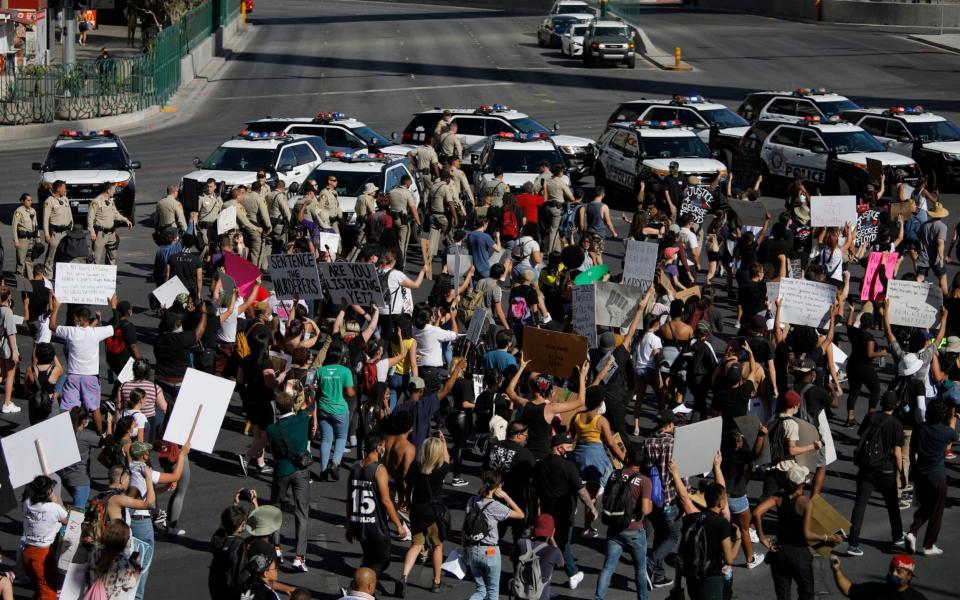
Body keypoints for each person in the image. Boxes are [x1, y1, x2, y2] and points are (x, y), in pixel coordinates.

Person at [754, 464, 842, 600]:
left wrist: (762, 537)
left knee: (783, 595)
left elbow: (757, 512)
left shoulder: (778, 498)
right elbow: (807, 534)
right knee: (806, 593)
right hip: (799, 554)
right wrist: (828, 538)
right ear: (801, 483)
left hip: (779, 552)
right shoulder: (805, 503)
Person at [842, 392, 906, 557]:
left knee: (860, 505)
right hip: (885, 469)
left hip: (866, 468)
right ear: (896, 405)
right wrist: (902, 474)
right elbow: (898, 453)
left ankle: (853, 543)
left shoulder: (871, 417)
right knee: (892, 505)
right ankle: (897, 536)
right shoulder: (896, 424)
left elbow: (861, 436)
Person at [128, 438, 190, 600]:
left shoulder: (131, 467)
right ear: (143, 455)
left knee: (131, 558)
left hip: (130, 518)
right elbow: (176, 475)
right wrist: (182, 455)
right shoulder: (145, 471)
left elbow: (143, 495)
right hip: (142, 521)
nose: (149, 453)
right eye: (147, 452)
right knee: (143, 563)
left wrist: (162, 490)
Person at [534, 433, 597, 590]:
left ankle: (544, 571)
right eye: (568, 447)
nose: (570, 450)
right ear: (560, 448)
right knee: (563, 542)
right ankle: (572, 573)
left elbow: (534, 489)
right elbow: (582, 491)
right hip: (564, 511)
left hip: (547, 511)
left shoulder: (540, 465)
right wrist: (592, 507)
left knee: (549, 541)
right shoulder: (568, 466)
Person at [48, 294, 115, 433]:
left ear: (79, 319)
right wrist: (113, 306)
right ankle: (101, 432)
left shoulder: (71, 331)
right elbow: (115, 325)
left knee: (69, 406)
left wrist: (56, 307)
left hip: (73, 376)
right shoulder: (96, 333)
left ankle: (68, 430)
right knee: (94, 406)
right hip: (90, 377)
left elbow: (52, 326)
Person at [594, 444, 653, 600]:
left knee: (608, 567)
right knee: (640, 569)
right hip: (635, 530)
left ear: (627, 458)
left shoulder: (615, 475)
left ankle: (598, 598)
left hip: (614, 528)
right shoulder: (644, 481)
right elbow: (646, 510)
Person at [347, 433, 408, 581]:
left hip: (358, 522)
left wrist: (349, 524)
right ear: (377, 447)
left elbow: (350, 498)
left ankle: (365, 592)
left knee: (368, 559)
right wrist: (399, 525)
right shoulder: (379, 469)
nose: (384, 447)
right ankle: (358, 587)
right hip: (375, 525)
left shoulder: (355, 467)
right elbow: (386, 500)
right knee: (383, 559)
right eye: (383, 445)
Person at [674, 476, 741, 600]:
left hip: (692, 577)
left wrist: (677, 584)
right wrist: (738, 540)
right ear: (721, 503)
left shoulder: (692, 519)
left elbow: (681, 553)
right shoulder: (721, 524)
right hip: (711, 579)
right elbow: (729, 559)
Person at [266, 390, 312, 572]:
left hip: (281, 472)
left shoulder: (272, 429)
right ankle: (299, 557)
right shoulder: (302, 418)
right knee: (302, 513)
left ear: (277, 407)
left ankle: (276, 547)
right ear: (292, 404)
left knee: (276, 509)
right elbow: (310, 404)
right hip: (301, 471)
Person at [398, 435, 450, 596]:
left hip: (417, 511)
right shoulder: (441, 469)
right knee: (437, 546)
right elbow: (447, 458)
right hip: (433, 514)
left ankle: (404, 576)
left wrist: (406, 501)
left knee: (416, 545)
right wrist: (444, 443)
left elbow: (408, 486)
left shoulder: (415, 466)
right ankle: (436, 581)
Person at [506, 358, 587, 460]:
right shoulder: (550, 408)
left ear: (531, 388)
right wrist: (582, 377)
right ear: (549, 392)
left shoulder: (525, 404)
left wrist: (522, 367)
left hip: (525, 452)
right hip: (542, 455)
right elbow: (580, 401)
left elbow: (509, 390)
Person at [463, 470, 524, 600]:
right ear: (497, 486)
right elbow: (520, 514)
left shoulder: (472, 501)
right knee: (493, 591)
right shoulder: (495, 506)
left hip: (473, 549)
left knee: (480, 591)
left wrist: (465, 548)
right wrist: (507, 497)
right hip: (490, 550)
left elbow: (465, 527)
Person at [905, 399, 956, 555]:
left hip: (921, 474)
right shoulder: (945, 431)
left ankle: (912, 532)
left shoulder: (920, 428)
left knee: (926, 506)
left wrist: (914, 469)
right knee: (937, 511)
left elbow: (912, 451)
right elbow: (953, 435)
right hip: (938, 476)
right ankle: (929, 545)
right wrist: (953, 419)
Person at [643, 410, 681, 588]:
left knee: (660, 534)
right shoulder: (673, 443)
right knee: (673, 536)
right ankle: (651, 562)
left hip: (653, 497)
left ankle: (658, 576)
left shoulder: (648, 441)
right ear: (670, 425)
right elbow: (679, 474)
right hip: (668, 498)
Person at [484, 421, 536, 542]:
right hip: (515, 500)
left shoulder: (493, 447)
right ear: (518, 435)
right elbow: (532, 480)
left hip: (492, 496)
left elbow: (484, 469)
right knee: (518, 533)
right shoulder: (525, 454)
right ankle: (518, 557)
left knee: (493, 531)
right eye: (526, 435)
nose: (526, 438)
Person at [21, 475, 68, 600]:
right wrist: (56, 501)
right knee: (48, 591)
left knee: (39, 587)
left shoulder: (27, 503)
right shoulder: (54, 508)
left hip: (27, 552)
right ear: (48, 491)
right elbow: (66, 520)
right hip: (42, 555)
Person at [316, 342, 355, 481]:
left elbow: (317, 390)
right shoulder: (345, 371)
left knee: (326, 439)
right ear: (342, 358)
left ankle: (323, 470)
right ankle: (335, 463)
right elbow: (350, 393)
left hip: (323, 408)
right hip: (339, 409)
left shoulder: (320, 371)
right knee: (341, 437)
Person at [511, 513, 565, 600]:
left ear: (533, 528)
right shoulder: (554, 551)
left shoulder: (521, 543)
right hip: (540, 596)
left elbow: (513, 559)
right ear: (553, 531)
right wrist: (552, 538)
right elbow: (562, 563)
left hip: (520, 592)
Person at [830, 554, 927, 600]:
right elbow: (848, 589)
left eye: (899, 571)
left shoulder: (917, 598)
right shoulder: (875, 589)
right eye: (891, 569)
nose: (893, 574)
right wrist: (837, 570)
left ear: (909, 576)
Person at [85, 520, 142, 598]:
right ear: (122, 539)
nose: (129, 540)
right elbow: (130, 583)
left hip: (92, 595)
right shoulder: (121, 561)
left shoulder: (94, 551)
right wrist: (137, 572)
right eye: (128, 537)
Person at [57, 407, 100, 509]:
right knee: (78, 513)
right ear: (84, 421)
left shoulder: (64, 433)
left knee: (76, 507)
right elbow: (105, 443)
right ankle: (66, 524)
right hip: (80, 479)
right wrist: (110, 425)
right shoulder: (86, 435)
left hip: (65, 476)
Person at [88, 181, 133, 265]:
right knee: (95, 258)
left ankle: (109, 276)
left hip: (111, 234)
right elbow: (90, 218)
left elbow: (115, 213)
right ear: (108, 190)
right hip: (100, 234)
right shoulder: (96, 202)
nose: (115, 191)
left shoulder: (110, 200)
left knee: (112, 256)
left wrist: (125, 220)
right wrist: (92, 232)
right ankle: (93, 276)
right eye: (113, 189)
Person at [915, 201, 949, 294]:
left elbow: (918, 239)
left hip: (923, 256)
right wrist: (941, 259)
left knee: (920, 277)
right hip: (936, 258)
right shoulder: (942, 226)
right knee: (942, 277)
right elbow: (940, 243)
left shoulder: (924, 225)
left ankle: (914, 294)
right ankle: (946, 299)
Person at [43, 180, 73, 271]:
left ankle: (61, 276)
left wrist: (71, 228)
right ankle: (48, 276)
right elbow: (45, 219)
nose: (65, 190)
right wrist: (47, 235)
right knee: (51, 257)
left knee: (65, 255)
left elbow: (70, 215)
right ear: (58, 189)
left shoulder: (65, 199)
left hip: (66, 232)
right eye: (64, 188)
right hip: (56, 233)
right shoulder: (49, 201)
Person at [0, 287, 21, 414]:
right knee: (10, 375)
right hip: (6, 346)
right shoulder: (7, 312)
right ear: (8, 297)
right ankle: (7, 403)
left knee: (2, 373)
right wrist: (15, 351)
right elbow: (11, 333)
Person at [12, 192, 38, 279]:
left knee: (30, 260)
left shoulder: (33, 211)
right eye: (28, 200)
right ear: (23, 201)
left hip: (31, 239)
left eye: (31, 200)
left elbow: (36, 226)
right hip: (22, 239)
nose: (30, 202)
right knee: (21, 261)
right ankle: (19, 279)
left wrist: (37, 239)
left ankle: (30, 279)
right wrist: (16, 241)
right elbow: (14, 227)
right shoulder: (19, 212)